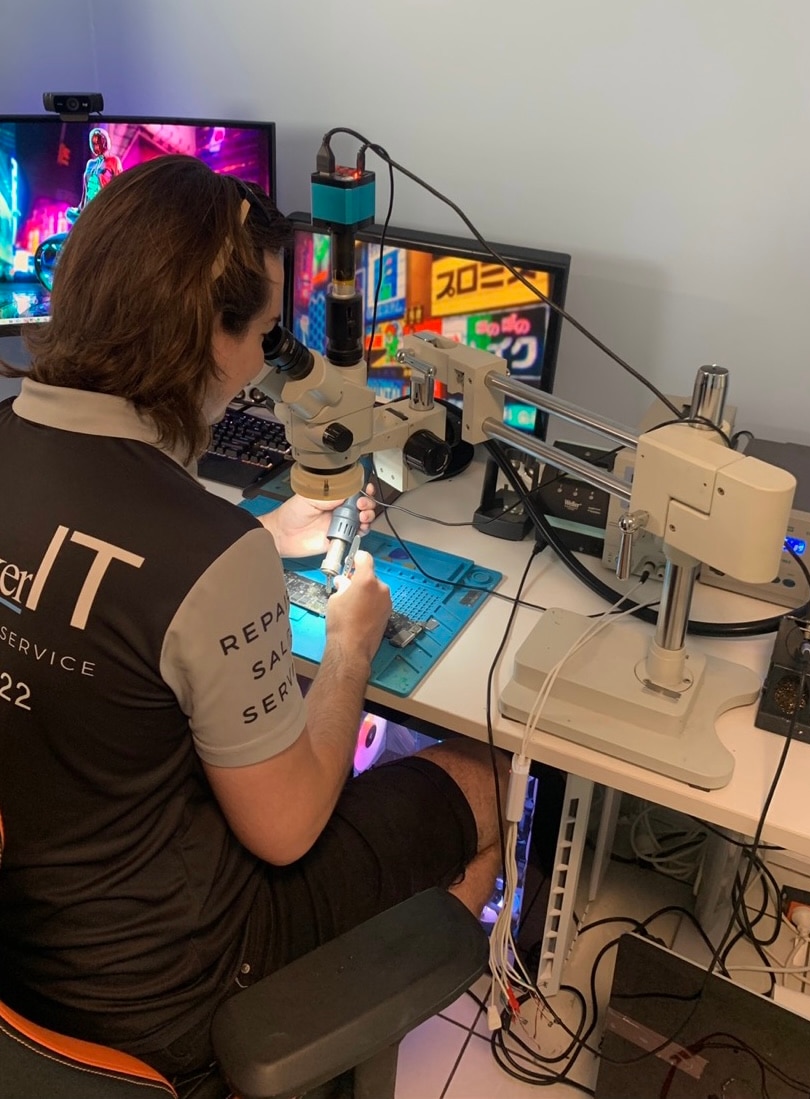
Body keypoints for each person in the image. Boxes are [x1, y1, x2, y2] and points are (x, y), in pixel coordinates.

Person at [0, 154, 510, 1079]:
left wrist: (252, 534)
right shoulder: (203, 555)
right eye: (269, 338)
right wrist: (351, 646)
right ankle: (360, 1022)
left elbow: (93, 578)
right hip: (174, 988)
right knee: (486, 768)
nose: (263, 369)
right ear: (210, 333)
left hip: (24, 945)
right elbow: (285, 831)